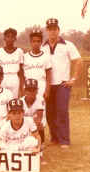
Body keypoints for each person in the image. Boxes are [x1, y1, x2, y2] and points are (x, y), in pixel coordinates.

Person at [42, 18, 82, 148]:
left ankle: (64, 140)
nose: (52, 32)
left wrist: (73, 79)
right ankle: (55, 138)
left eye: (55, 29)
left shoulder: (68, 45)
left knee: (62, 111)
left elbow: (78, 61)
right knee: (49, 113)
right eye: (50, 29)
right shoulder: (43, 47)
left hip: (62, 84)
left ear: (58, 30)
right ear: (47, 31)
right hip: (48, 85)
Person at [20, 79, 46, 164]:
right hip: (24, 124)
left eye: (33, 90)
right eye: (29, 90)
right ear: (25, 90)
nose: (31, 92)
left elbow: (39, 118)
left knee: (39, 126)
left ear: (37, 90)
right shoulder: (20, 101)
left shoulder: (40, 99)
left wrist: (30, 122)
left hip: (35, 124)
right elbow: (18, 118)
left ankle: (40, 153)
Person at [0, 28, 24, 98]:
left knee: (14, 100)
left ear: (15, 38)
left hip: (14, 77)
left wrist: (21, 87)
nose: (10, 39)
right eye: (8, 36)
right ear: (4, 38)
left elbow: (21, 71)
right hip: (3, 78)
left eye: (12, 37)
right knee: (3, 99)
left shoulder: (19, 51)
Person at [23, 28, 52, 99]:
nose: (36, 43)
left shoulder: (46, 56)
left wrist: (47, 90)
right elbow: (21, 75)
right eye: (33, 41)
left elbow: (49, 75)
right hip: (28, 86)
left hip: (41, 85)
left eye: (38, 41)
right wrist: (22, 89)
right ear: (30, 42)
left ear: (41, 42)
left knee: (40, 108)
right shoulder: (25, 56)